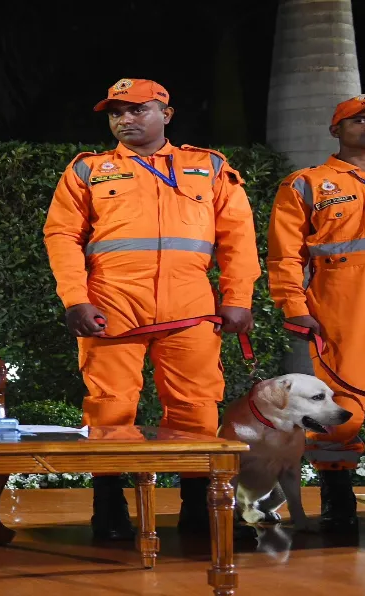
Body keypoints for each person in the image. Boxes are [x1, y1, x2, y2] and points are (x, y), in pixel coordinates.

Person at [42, 78, 260, 541]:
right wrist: (75, 300)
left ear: (167, 114)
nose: (126, 119)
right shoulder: (88, 170)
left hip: (191, 308)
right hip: (112, 305)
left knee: (196, 409)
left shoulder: (210, 167)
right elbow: (61, 236)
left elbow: (238, 239)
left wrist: (238, 299)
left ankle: (199, 512)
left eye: (138, 110)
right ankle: (109, 510)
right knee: (108, 410)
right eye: (116, 112)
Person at [267, 93, 365, 531]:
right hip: (344, 306)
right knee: (338, 404)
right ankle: (337, 497)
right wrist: (294, 306)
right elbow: (284, 256)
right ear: (336, 130)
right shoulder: (307, 184)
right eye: (360, 120)